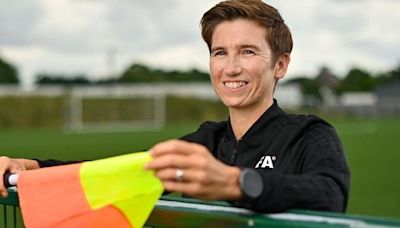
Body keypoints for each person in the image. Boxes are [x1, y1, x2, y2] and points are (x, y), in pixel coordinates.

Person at [0, 0, 349, 213]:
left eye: (247, 51)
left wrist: (238, 183)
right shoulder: (202, 143)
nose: (230, 67)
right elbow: (108, 175)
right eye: (219, 53)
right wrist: (28, 168)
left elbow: (330, 196)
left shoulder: (309, 135)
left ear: (280, 65)